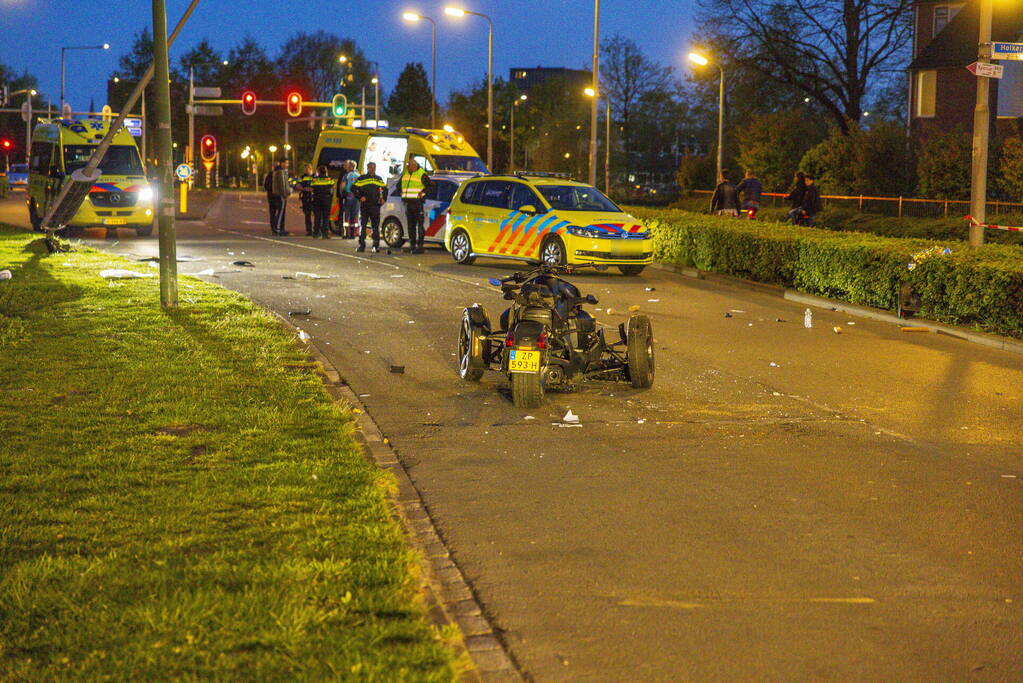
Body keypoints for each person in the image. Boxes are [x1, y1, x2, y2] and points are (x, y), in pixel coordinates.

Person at [399, 156, 433, 253]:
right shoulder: (405, 174)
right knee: (411, 226)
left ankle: (420, 246)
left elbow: (430, 186)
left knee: (419, 225)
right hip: (408, 203)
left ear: (414, 166)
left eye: (409, 165)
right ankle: (412, 245)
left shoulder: (422, 174)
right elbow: (399, 186)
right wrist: (400, 192)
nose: (407, 167)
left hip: (418, 204)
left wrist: (423, 193)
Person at [353, 161, 386, 253]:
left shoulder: (379, 179)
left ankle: (375, 246)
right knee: (363, 226)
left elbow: (385, 189)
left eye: (374, 168)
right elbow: (353, 188)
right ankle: (361, 245)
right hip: (365, 206)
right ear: (368, 168)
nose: (372, 169)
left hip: (375, 206)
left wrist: (384, 198)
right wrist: (360, 197)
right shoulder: (362, 178)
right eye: (371, 167)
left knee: (375, 227)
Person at [265, 159, 292, 235]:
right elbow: (282, 184)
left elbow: (266, 185)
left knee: (273, 213)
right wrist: (285, 194)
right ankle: (278, 228)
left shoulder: (272, 173)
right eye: (286, 163)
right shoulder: (280, 172)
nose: (287, 165)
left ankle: (275, 228)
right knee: (280, 212)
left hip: (272, 196)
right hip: (278, 195)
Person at [309, 165, 335, 239]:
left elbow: (311, 189)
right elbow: (332, 188)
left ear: (318, 171)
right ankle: (325, 234)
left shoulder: (315, 180)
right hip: (326, 200)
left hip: (317, 199)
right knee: (326, 217)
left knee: (317, 216)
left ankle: (316, 233)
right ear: (326, 171)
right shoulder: (330, 179)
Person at [338, 160, 360, 238]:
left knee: (346, 215)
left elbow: (342, 186)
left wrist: (341, 194)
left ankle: (346, 233)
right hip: (357, 198)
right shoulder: (358, 175)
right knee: (355, 216)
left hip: (349, 197)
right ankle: (353, 234)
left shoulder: (347, 175)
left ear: (351, 166)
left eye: (349, 166)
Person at [296, 163, 316, 235]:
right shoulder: (302, 177)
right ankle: (309, 230)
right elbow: (298, 186)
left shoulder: (315, 176)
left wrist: (312, 189)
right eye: (305, 169)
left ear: (310, 169)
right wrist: (304, 188)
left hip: (314, 198)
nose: (305, 170)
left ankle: (316, 229)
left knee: (316, 214)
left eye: (307, 168)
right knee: (307, 215)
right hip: (305, 197)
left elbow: (318, 185)